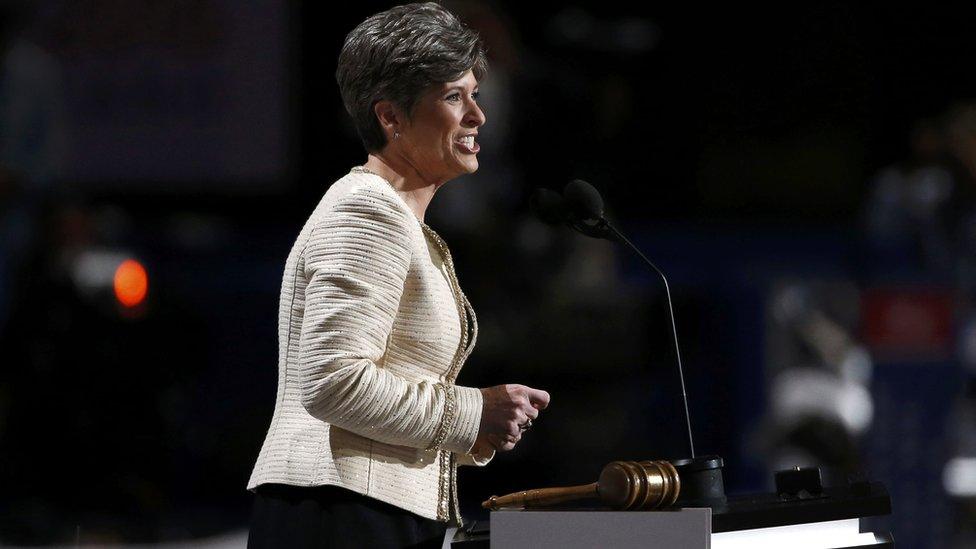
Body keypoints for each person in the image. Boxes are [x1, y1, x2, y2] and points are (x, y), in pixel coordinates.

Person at [246, 3, 550, 547]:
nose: (477, 115)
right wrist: (473, 410)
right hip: (338, 515)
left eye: (475, 94)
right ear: (391, 117)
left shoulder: (403, 220)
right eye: (453, 97)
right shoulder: (368, 210)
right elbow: (334, 381)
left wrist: (475, 426)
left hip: (366, 512)